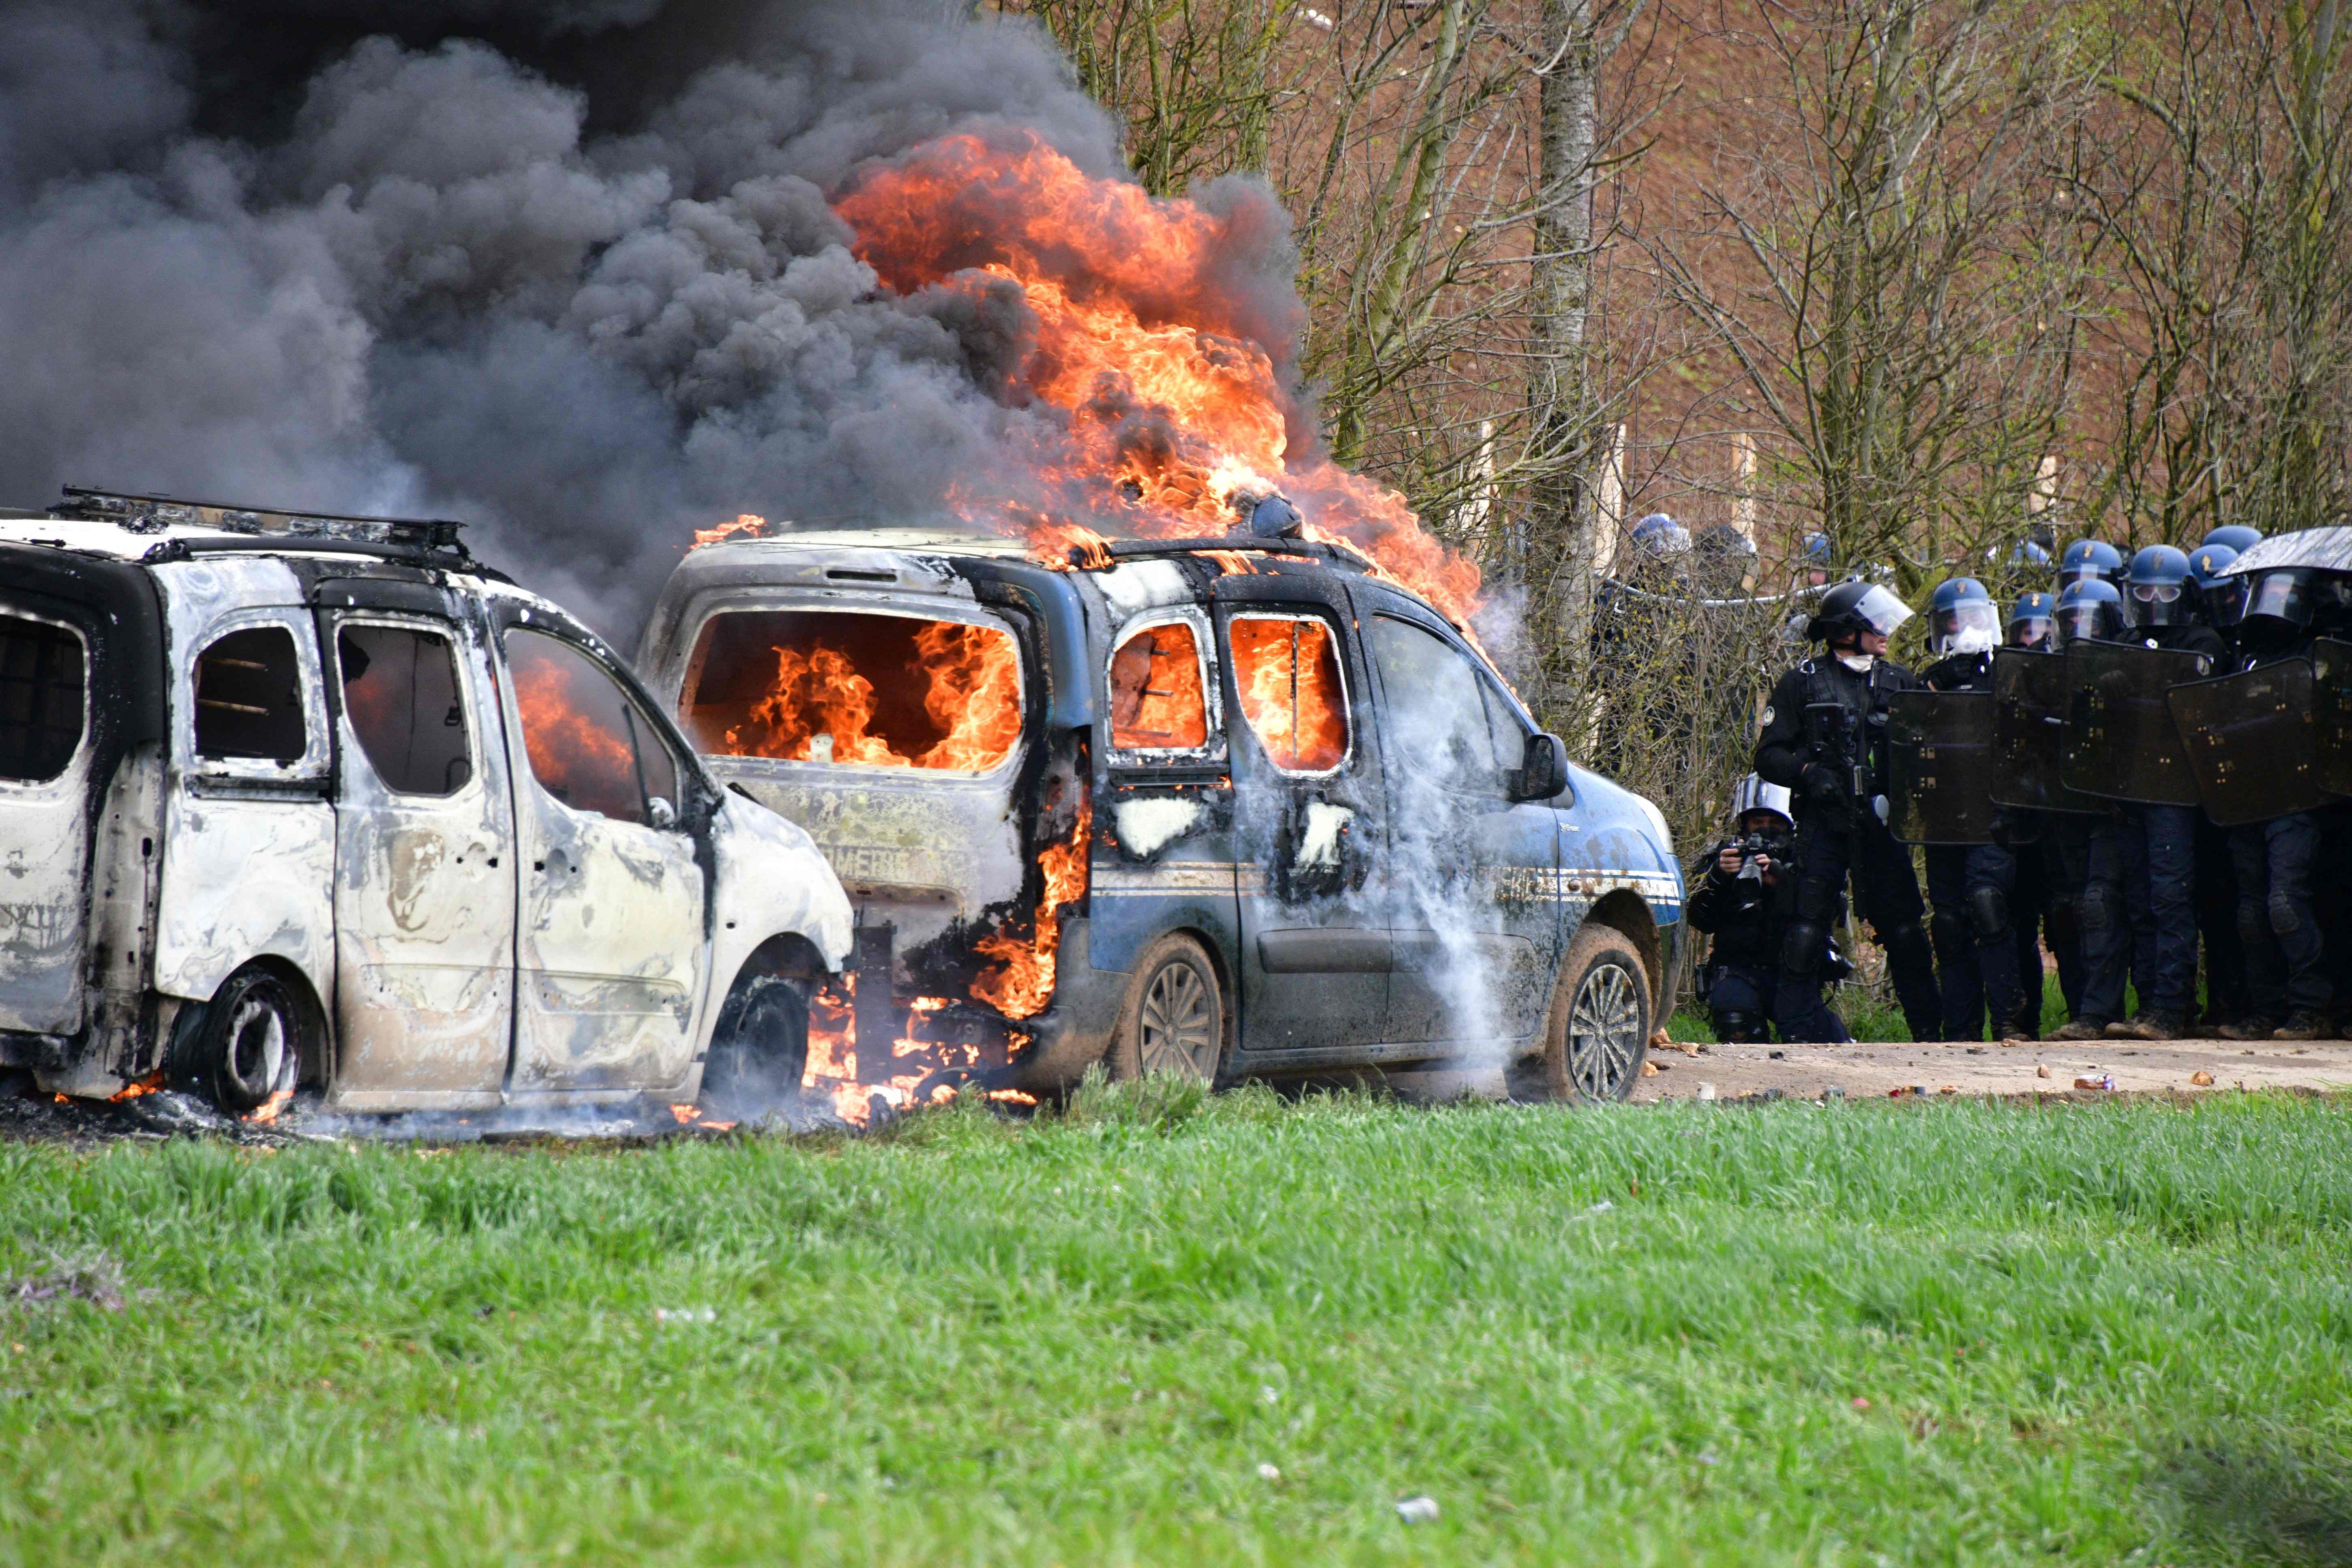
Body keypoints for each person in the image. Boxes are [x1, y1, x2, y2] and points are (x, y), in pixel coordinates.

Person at [1754, 579, 1945, 1041]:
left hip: (1882, 826)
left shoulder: (1899, 681)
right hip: (1822, 823)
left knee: (1903, 932)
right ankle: (1797, 1033)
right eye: (1875, 625)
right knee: (1804, 930)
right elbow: (1767, 755)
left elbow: (1932, 751)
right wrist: (1806, 772)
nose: (1885, 633)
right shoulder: (1801, 682)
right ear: (1845, 631)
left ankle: (1932, 1035)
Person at [2058, 546, 2230, 1041]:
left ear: (2184, 596)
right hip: (2127, 788)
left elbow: (2193, 695)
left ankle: (2170, 1007)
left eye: (2166, 592)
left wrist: (2130, 685)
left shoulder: (2203, 641)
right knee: (2133, 900)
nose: (2154, 601)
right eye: (2144, 591)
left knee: (2169, 896)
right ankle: (2145, 1005)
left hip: (2175, 789)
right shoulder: (2125, 640)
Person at [2219, 563, 2347, 1040]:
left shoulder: (2314, 653)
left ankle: (2309, 1008)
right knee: (2251, 913)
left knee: (2283, 903)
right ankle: (2264, 1009)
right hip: (2245, 798)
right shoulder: (2244, 657)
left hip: (2294, 798)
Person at [1917, 578, 2027, 1040]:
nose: (1965, 629)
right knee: (1947, 922)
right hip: (1944, 819)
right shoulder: (1925, 682)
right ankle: (1959, 1030)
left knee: (1987, 906)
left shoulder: (2009, 673)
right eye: (1955, 621)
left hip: (1992, 817)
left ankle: (2010, 1020)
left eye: (1974, 618)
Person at [1686, 776, 1851, 1043]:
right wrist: (1716, 878)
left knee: (1823, 1044)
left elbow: (1824, 918)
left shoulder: (1807, 863)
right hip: (1738, 971)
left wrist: (1783, 883)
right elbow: (1699, 920)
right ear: (1744, 824)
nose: (1766, 829)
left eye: (1774, 823)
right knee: (1735, 1023)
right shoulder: (1723, 857)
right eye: (1758, 822)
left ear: (1788, 824)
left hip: (1791, 975)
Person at [2185, 542, 2251, 1032]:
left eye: (2226, 595)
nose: (2218, 605)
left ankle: (2254, 1006)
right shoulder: (2195, 644)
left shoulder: (2255, 642)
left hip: (2251, 792)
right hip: (2200, 792)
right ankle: (2223, 1005)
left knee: (2248, 903)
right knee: (2211, 904)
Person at [2002, 591, 2075, 1032]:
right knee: (2014, 921)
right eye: (2024, 632)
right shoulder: (2003, 681)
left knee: (2066, 918)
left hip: (2062, 820)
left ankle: (2086, 1013)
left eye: (2041, 631)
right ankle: (2021, 1022)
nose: (2033, 641)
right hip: (2018, 821)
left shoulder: (2070, 675)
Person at [2057, 539, 2124, 590]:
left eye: (2091, 576)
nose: (2083, 583)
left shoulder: (2114, 606)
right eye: (2075, 576)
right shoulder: (2064, 605)